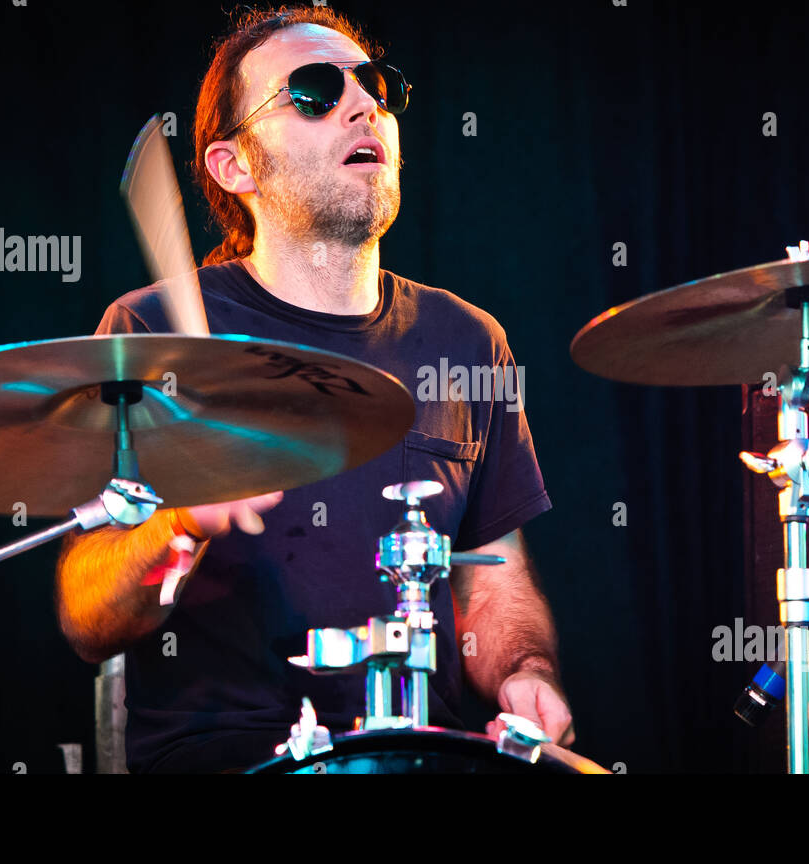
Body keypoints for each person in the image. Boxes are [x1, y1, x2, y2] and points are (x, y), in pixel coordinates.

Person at [54, 5, 573, 773]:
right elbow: (86, 612)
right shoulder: (153, 330)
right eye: (314, 91)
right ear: (235, 166)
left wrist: (527, 674)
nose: (365, 105)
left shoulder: (467, 339)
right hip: (232, 756)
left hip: (419, 752)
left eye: (374, 85)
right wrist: (180, 525)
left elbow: (493, 577)